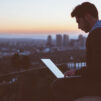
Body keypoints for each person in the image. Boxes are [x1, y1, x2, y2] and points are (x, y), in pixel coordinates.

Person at [52, 2, 101, 101]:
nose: (79, 27)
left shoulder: (96, 35)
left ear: (87, 17)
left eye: (79, 22)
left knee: (58, 84)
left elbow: (97, 68)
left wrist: (76, 71)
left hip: (98, 84)